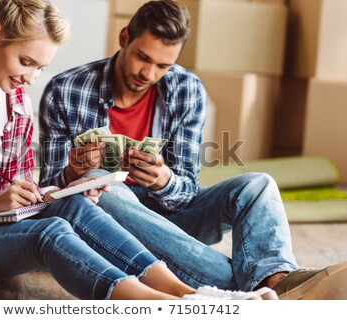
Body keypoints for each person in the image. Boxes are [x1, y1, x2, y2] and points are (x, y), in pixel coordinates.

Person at [0, 0, 278, 300]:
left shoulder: (14, 103)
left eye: (39, 68)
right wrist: (4, 200)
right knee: (58, 224)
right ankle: (165, 303)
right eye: (26, 62)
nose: (31, 77)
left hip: (14, 226)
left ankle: (191, 293)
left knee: (75, 205)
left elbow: (25, 191)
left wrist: (65, 189)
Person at [38, 0, 347, 299]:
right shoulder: (66, 89)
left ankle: (276, 279)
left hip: (172, 214)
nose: (148, 73)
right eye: (142, 57)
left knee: (258, 185)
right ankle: (255, 291)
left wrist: (162, 179)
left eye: (162, 65)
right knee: (103, 186)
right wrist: (73, 172)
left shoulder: (187, 89)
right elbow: (49, 192)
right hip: (110, 219)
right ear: (124, 38)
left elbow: (186, 189)